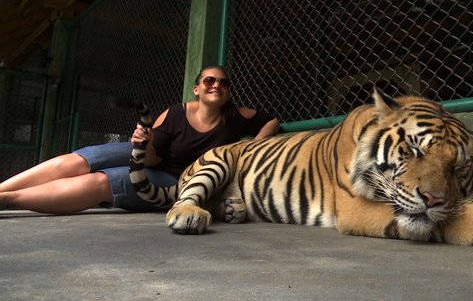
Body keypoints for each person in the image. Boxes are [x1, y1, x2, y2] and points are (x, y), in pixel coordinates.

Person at [0, 65, 280, 214]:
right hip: (153, 157)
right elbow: (153, 158)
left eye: (223, 82)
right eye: (210, 80)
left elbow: (271, 120)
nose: (217, 85)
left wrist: (254, 145)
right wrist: (140, 144)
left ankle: (9, 201)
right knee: (86, 159)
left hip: (177, 181)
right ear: (197, 88)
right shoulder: (174, 114)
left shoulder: (236, 116)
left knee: (101, 181)